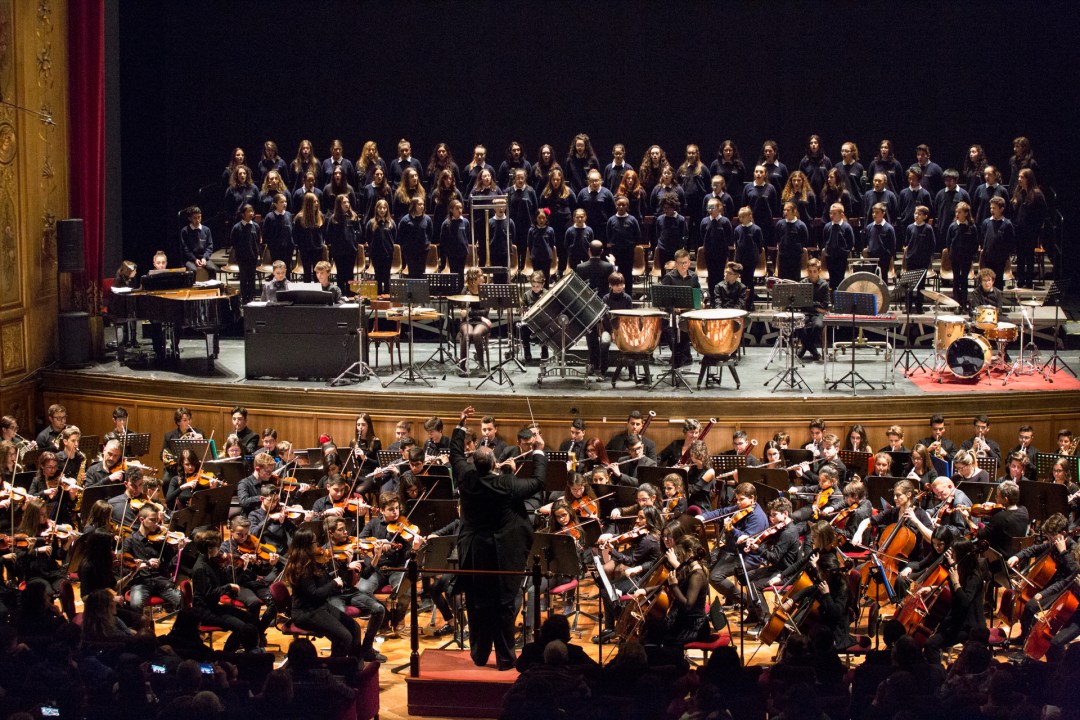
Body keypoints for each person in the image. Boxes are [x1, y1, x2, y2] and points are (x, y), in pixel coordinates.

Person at [451, 405, 546, 670]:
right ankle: (505, 658)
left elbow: (455, 453)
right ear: (494, 463)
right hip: (502, 552)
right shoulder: (506, 484)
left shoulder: (466, 478)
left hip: (474, 550)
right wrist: (538, 450)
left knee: (477, 604)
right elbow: (538, 483)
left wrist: (461, 423)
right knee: (503, 605)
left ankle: (479, 655)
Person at [281, 528, 362, 658]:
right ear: (306, 546)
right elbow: (315, 594)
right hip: (306, 612)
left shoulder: (312, 561)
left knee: (354, 628)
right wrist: (334, 583)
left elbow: (322, 580)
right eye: (314, 543)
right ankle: (335, 669)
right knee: (344, 637)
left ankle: (354, 665)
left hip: (319, 606)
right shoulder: (301, 567)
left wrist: (343, 568)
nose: (317, 546)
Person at [189, 530, 261, 652]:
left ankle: (252, 648)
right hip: (205, 611)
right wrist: (228, 587)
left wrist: (239, 568)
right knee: (241, 627)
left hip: (214, 607)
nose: (220, 549)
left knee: (250, 618)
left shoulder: (212, 562)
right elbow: (209, 594)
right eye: (217, 546)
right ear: (209, 548)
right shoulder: (201, 568)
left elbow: (223, 580)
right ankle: (227, 654)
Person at [698, 482, 768, 608]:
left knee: (715, 577)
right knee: (706, 567)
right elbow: (722, 512)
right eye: (737, 499)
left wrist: (731, 529)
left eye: (742, 499)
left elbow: (746, 540)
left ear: (752, 498)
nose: (738, 503)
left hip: (748, 556)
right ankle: (731, 598)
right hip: (732, 551)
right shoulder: (741, 508)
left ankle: (745, 601)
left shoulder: (757, 517)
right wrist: (703, 517)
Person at [122, 504, 185, 612]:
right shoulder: (130, 541)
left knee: (184, 602)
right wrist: (146, 563)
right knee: (135, 605)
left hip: (161, 581)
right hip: (141, 582)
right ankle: (142, 628)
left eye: (157, 520)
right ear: (142, 519)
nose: (156, 524)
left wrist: (178, 550)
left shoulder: (161, 539)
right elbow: (126, 563)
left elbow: (169, 563)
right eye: (152, 520)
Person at [1010, 167, 1048, 289]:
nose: (1019, 179)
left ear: (1029, 179)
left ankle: (1029, 280)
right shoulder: (1019, 192)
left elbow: (1043, 213)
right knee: (1020, 256)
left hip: (1030, 231)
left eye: (1022, 177)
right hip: (1019, 229)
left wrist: (1036, 229)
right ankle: (1020, 280)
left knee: (1029, 256)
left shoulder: (1036, 194)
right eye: (1019, 177)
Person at [455, 267, 491, 375]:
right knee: (467, 333)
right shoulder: (465, 291)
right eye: (480, 275)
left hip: (481, 321)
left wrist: (471, 314)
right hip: (468, 321)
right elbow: (463, 311)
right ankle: (462, 366)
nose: (483, 277)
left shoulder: (485, 290)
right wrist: (476, 316)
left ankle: (481, 366)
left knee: (476, 334)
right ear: (474, 278)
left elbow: (485, 311)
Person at [946, 201, 980, 311]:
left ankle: (964, 304)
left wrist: (971, 254)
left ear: (966, 213)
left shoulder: (971, 227)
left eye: (959, 212)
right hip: (955, 257)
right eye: (956, 212)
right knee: (956, 281)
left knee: (964, 281)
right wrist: (952, 253)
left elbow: (975, 242)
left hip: (966, 258)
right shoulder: (953, 226)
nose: (957, 214)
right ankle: (957, 304)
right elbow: (948, 242)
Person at [903, 205, 935, 312]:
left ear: (925, 216)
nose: (916, 216)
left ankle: (919, 306)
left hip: (923, 261)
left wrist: (927, 258)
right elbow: (907, 243)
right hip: (911, 260)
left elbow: (932, 245)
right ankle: (908, 306)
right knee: (909, 285)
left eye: (919, 214)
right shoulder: (910, 228)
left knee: (921, 286)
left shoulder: (928, 229)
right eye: (915, 213)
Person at [797, 258, 829, 361]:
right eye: (810, 271)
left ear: (818, 271)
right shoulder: (803, 283)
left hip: (817, 314)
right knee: (798, 325)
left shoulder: (824, 285)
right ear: (807, 271)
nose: (812, 274)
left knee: (818, 325)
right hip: (805, 312)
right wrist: (816, 306)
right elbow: (801, 304)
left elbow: (825, 306)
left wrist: (811, 305)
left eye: (814, 271)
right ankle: (814, 351)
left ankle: (804, 348)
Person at [229, 203, 261, 304]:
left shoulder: (255, 226)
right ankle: (244, 298)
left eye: (252, 211)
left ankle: (251, 297)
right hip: (242, 258)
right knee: (243, 279)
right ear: (243, 214)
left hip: (253, 257)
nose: (251, 213)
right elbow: (233, 242)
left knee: (252, 278)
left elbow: (258, 241)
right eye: (248, 212)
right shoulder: (237, 227)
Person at [979, 197, 1014, 289]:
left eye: (994, 208)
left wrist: (1005, 254)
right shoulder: (986, 222)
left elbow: (1010, 241)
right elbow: (983, 237)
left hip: (1000, 258)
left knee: (998, 282)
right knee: (987, 281)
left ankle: (997, 302)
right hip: (988, 257)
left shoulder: (1007, 224)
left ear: (1001, 209)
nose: (992, 210)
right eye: (991, 208)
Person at [397, 196, 433, 279]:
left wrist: (427, 243)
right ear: (414, 205)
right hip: (410, 251)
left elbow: (430, 233)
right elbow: (401, 235)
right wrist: (405, 246)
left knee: (421, 273)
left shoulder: (427, 219)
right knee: (412, 273)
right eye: (419, 204)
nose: (422, 206)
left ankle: (421, 291)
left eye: (423, 204)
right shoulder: (405, 220)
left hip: (423, 250)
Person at [606, 194, 641, 277]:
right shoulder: (611, 220)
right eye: (619, 205)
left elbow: (637, 234)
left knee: (628, 273)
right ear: (616, 206)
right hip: (615, 251)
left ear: (627, 206)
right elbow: (608, 235)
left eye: (623, 205)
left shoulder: (632, 219)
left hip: (628, 251)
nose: (621, 207)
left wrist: (632, 245)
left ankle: (628, 290)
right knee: (616, 274)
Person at [365, 198, 395, 294]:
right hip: (376, 254)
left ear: (387, 209)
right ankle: (378, 297)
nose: (382, 210)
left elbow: (394, 236)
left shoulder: (391, 223)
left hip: (388, 254)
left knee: (386, 276)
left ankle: (387, 296)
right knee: (378, 276)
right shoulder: (371, 223)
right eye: (380, 208)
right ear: (376, 209)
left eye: (384, 208)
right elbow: (368, 237)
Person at [732, 206, 762, 302]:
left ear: (750, 216)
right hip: (741, 259)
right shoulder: (737, 229)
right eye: (740, 217)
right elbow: (736, 243)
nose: (741, 219)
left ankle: (750, 301)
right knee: (743, 280)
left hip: (751, 259)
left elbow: (759, 245)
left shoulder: (756, 229)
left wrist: (754, 254)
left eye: (743, 217)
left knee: (749, 280)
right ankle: (742, 300)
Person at [822, 202, 854, 290]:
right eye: (830, 213)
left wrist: (844, 251)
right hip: (830, 257)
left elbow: (851, 242)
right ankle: (832, 300)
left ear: (841, 214)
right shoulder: (827, 226)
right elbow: (825, 240)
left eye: (834, 213)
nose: (831, 215)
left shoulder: (846, 227)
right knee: (832, 279)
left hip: (841, 258)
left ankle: (840, 299)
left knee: (840, 279)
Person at [700, 196, 732, 283]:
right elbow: (702, 235)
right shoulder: (704, 221)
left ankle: (720, 294)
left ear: (719, 208)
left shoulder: (725, 221)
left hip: (721, 253)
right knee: (711, 275)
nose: (710, 209)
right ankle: (712, 295)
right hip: (709, 253)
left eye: (712, 207)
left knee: (720, 275)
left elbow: (729, 236)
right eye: (708, 207)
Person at [293, 192, 324, 283]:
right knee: (306, 272)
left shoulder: (320, 216)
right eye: (314, 202)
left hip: (317, 249)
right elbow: (295, 234)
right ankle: (307, 294)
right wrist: (300, 245)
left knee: (317, 273)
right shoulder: (300, 218)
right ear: (308, 203)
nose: (316, 204)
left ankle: (317, 293)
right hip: (305, 249)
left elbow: (323, 232)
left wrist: (321, 243)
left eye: (317, 201)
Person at [179, 206, 218, 279]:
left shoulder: (206, 230)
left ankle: (213, 288)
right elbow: (185, 249)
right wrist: (194, 259)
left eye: (199, 217)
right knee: (193, 270)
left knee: (213, 269)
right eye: (195, 218)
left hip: (203, 258)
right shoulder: (185, 231)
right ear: (189, 218)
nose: (197, 220)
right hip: (190, 259)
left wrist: (204, 258)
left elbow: (210, 246)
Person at [865, 202, 896, 283]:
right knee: (873, 279)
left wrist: (888, 254)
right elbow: (867, 241)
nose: (874, 214)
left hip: (884, 258)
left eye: (877, 212)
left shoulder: (889, 228)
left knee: (883, 278)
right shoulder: (869, 227)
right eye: (873, 212)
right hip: (872, 257)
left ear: (883, 214)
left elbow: (892, 245)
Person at [527, 209, 554, 286]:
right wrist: (532, 255)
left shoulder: (550, 230)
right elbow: (530, 244)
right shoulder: (532, 230)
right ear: (536, 218)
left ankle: (546, 291)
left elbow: (552, 244)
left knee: (546, 276)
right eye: (539, 218)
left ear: (546, 218)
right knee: (537, 276)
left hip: (546, 257)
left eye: (544, 218)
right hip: (536, 257)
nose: (541, 220)